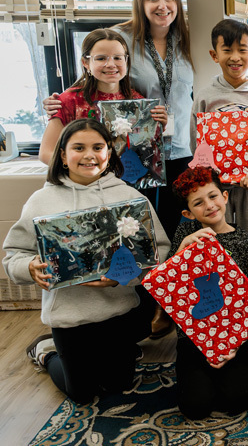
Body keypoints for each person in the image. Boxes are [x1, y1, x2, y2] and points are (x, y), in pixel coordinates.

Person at [3, 119, 170, 404]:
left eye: (98, 147)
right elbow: (13, 255)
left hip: (119, 312)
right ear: (64, 156)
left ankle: (113, 359)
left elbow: (159, 252)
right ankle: (46, 352)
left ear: (109, 153)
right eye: (78, 148)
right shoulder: (41, 200)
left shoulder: (130, 197)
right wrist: (29, 268)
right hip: (70, 318)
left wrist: (127, 275)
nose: (89, 155)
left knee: (117, 386)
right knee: (81, 393)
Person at [44, 0, 194, 239]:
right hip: (124, 164)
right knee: (134, 233)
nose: (162, 5)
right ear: (140, 3)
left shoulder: (182, 39)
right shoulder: (120, 37)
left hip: (177, 149)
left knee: (174, 229)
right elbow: (96, 70)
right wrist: (59, 102)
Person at [168, 166, 248, 419]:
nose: (209, 205)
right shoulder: (185, 235)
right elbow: (169, 287)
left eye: (213, 196)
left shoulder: (243, 241)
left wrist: (233, 343)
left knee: (237, 401)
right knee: (195, 408)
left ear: (225, 196)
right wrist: (181, 252)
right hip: (192, 335)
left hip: (233, 333)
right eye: (198, 203)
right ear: (188, 213)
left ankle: (226, 374)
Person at [191, 19, 248, 283]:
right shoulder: (205, 96)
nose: (235, 57)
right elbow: (195, 147)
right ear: (214, 55)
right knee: (217, 247)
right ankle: (224, 307)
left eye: (242, 49)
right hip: (216, 191)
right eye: (226, 49)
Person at [38, 28, 168, 165]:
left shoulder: (139, 102)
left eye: (118, 58)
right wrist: (83, 170)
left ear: (126, 61)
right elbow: (46, 153)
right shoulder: (68, 101)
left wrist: (158, 126)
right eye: (101, 58)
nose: (111, 64)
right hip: (82, 181)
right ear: (85, 63)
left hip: (125, 183)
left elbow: (145, 154)